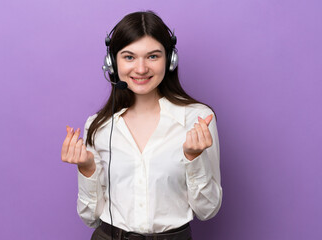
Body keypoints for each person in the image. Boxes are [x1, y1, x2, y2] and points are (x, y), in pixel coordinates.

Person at [61, 11, 222, 240]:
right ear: (112, 62)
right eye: (129, 57)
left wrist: (194, 158)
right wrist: (87, 169)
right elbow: (90, 217)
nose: (141, 68)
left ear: (170, 60)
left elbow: (207, 210)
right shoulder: (99, 126)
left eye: (153, 56)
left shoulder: (198, 120)